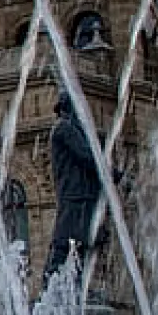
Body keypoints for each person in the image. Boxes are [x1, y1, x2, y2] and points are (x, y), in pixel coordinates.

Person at [45, 92, 105, 281]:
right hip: (73, 195)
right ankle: (51, 280)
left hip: (82, 195)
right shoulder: (64, 129)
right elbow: (86, 155)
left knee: (83, 242)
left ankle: (78, 284)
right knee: (64, 241)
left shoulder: (73, 130)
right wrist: (115, 174)